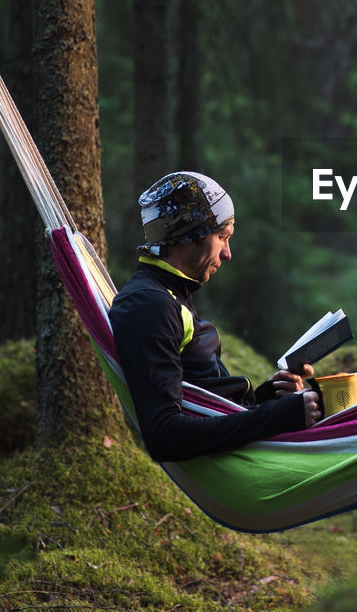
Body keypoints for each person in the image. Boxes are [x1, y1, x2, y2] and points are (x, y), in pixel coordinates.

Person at [109, 171, 321, 462]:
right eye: (222, 237)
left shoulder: (167, 296)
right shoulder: (149, 305)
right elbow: (164, 435)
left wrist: (266, 396)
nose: (228, 253)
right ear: (188, 236)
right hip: (241, 469)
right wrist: (278, 416)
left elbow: (203, 397)